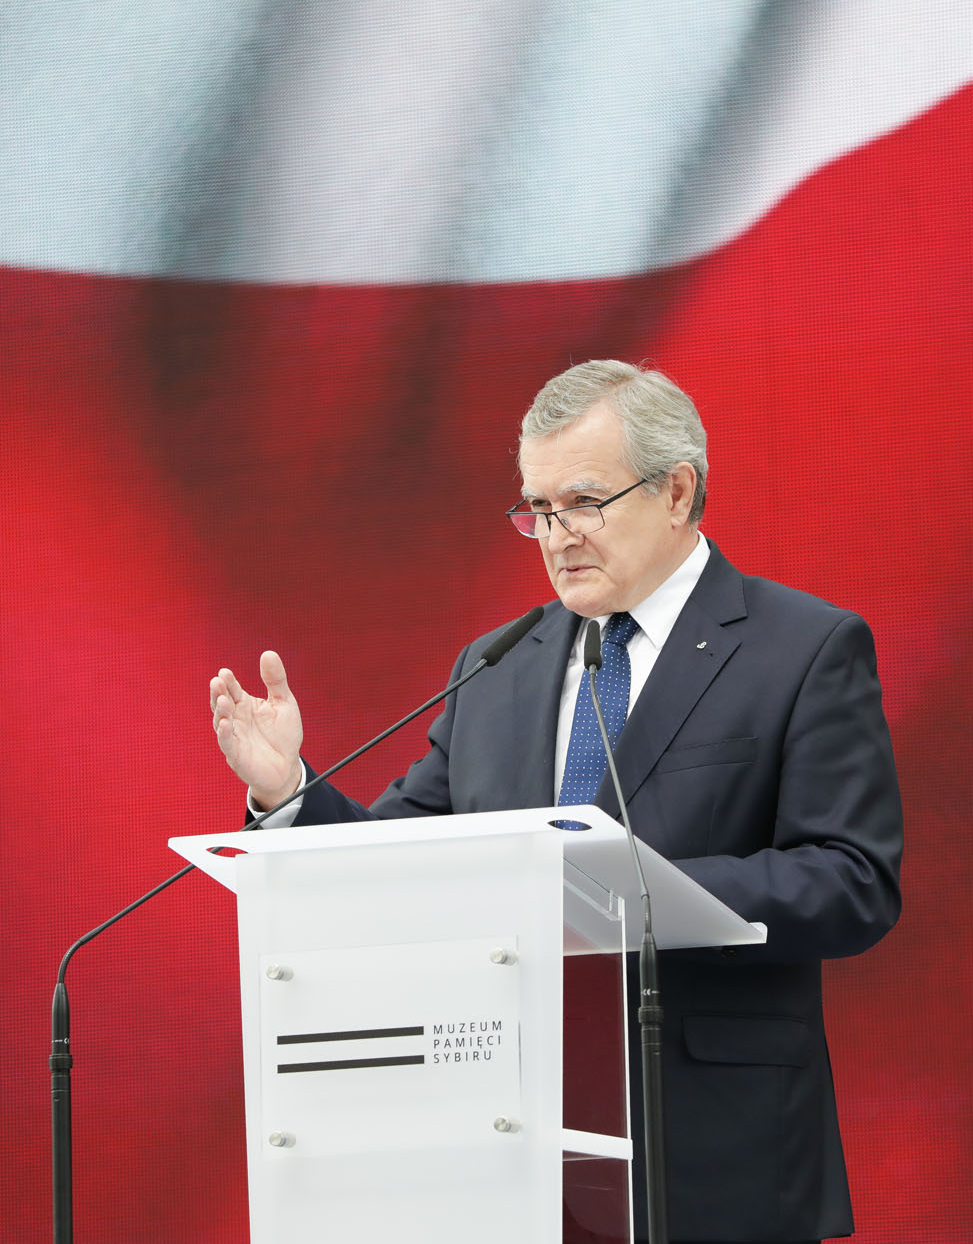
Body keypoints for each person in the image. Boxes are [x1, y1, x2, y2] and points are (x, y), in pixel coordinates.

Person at [209, 360, 904, 1244]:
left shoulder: (803, 648)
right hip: (506, 1148)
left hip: (709, 1147)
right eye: (537, 509)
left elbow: (851, 880)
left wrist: (637, 892)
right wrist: (287, 791)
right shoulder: (497, 665)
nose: (556, 535)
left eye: (583, 502)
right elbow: (397, 858)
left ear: (677, 491)